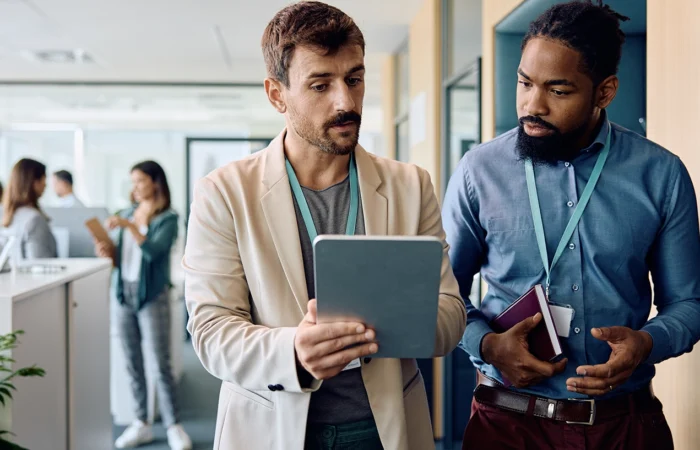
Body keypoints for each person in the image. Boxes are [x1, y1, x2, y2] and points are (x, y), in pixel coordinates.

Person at [182, 2, 466, 449]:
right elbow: (211, 331)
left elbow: (451, 313)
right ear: (277, 94)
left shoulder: (411, 186)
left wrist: (392, 320)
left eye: (354, 79)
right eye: (321, 85)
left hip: (385, 430)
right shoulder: (224, 192)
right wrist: (294, 350)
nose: (346, 102)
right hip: (271, 428)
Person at [442, 2, 700, 449]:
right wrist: (487, 346)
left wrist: (647, 342)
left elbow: (690, 303)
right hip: (506, 425)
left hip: (625, 427)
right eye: (524, 83)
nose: (532, 105)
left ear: (604, 92)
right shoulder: (477, 171)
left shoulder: (661, 174)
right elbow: (440, 294)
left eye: (558, 91)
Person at [94, 160, 192, 450]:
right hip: (124, 293)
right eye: (132, 182)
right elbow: (121, 260)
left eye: (139, 181)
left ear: (154, 182)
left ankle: (174, 424)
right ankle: (141, 423)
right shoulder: (126, 214)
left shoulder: (169, 218)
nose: (134, 187)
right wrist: (108, 251)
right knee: (131, 361)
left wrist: (131, 226)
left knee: (160, 364)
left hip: (152, 296)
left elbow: (152, 252)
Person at [1, 158, 57, 260]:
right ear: (34, 182)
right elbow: (39, 262)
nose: (45, 185)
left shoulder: (8, 216)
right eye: (44, 179)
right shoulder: (34, 219)